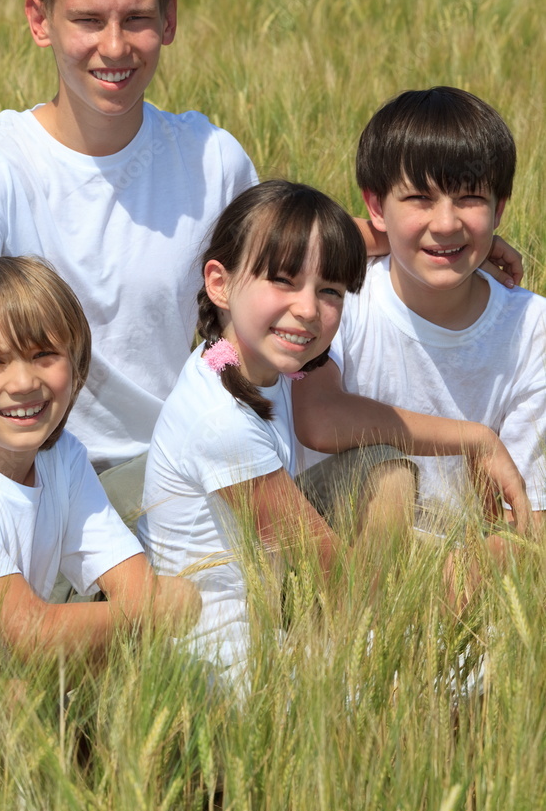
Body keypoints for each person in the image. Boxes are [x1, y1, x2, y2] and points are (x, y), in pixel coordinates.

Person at [0, 0, 522, 518]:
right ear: (39, 20)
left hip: (172, 461)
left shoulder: (208, 155)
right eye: (87, 21)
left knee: (380, 478)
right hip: (36, 465)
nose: (114, 45)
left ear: (170, 21)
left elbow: (286, 259)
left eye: (136, 19)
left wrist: (433, 239)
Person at [138, 180, 422, 674]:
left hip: (268, 612)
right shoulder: (221, 422)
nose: (309, 309)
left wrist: (451, 248)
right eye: (283, 281)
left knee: (385, 469)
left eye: (329, 290)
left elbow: (338, 244)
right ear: (219, 283)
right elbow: (327, 565)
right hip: (225, 659)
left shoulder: (234, 359)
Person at [0, 257, 200, 658]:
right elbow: (32, 633)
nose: (24, 382)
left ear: (77, 364)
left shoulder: (62, 459)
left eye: (44, 354)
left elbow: (138, 590)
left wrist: (151, 605)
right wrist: (166, 605)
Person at [294, 87, 545, 534]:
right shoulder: (338, 296)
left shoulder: (533, 329)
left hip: (470, 565)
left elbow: (528, 518)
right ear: (375, 206)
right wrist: (475, 439)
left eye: (470, 198)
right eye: (419, 199)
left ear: (499, 208)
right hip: (332, 548)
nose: (446, 222)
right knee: (387, 478)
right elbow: (317, 417)